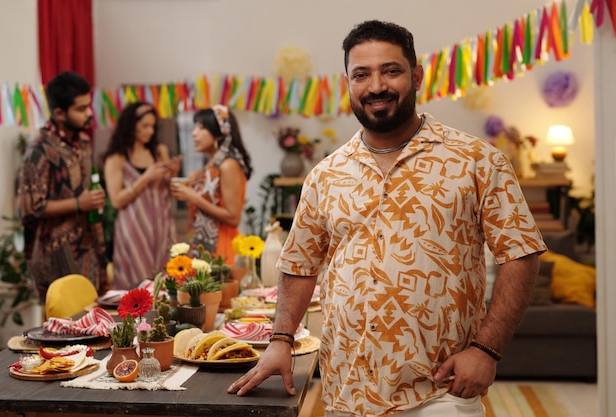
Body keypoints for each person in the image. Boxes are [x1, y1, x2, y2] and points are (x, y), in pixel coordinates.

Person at [227, 20, 547, 417]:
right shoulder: (327, 175)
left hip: (439, 392)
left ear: (416, 76)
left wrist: (487, 348)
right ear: (348, 84)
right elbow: (299, 265)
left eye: (390, 71)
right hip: (346, 391)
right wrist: (280, 340)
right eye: (361, 74)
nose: (376, 86)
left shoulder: (477, 161)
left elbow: (521, 253)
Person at [17, 71, 107, 303]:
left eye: (89, 106)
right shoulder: (39, 151)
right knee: (63, 334)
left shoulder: (84, 143)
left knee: (94, 328)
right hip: (53, 258)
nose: (89, 113)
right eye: (81, 109)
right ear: (59, 113)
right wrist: (79, 203)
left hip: (89, 251)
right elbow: (29, 208)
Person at [103, 102, 181, 290]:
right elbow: (116, 200)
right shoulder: (117, 158)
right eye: (145, 126)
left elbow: (169, 191)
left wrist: (172, 174)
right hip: (134, 228)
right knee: (137, 282)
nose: (150, 131)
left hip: (162, 224)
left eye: (153, 126)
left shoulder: (159, 151)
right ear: (131, 126)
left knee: (166, 280)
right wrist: (145, 179)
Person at [170, 105, 252, 266]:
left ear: (219, 134)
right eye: (195, 127)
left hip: (222, 245)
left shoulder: (228, 165)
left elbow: (233, 217)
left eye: (201, 128)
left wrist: (193, 197)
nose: (194, 133)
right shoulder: (212, 166)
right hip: (207, 243)